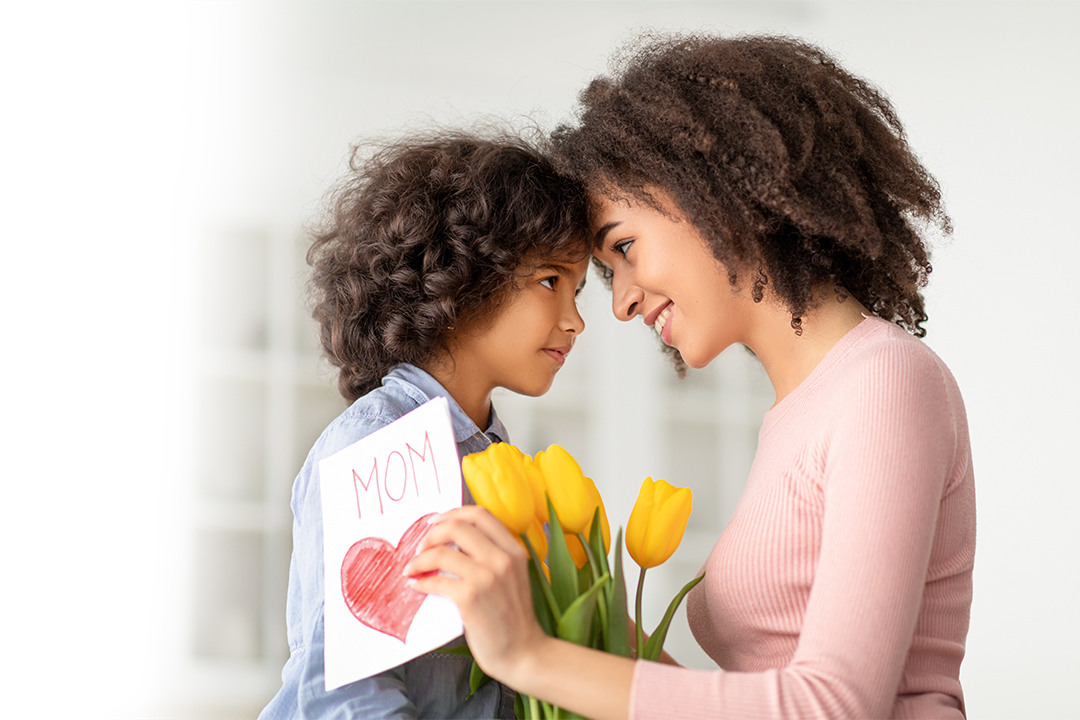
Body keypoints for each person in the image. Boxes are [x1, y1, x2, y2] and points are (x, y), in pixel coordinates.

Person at [405, 34, 976, 719]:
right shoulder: (808, 406)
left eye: (624, 248)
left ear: (712, 194)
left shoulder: (884, 384)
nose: (619, 304)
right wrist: (572, 605)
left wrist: (530, 655)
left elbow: (830, 707)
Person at [259, 133, 590, 719]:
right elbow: (346, 689)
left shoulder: (497, 458)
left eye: (578, 289)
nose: (575, 320)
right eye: (550, 281)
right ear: (461, 279)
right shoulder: (384, 443)